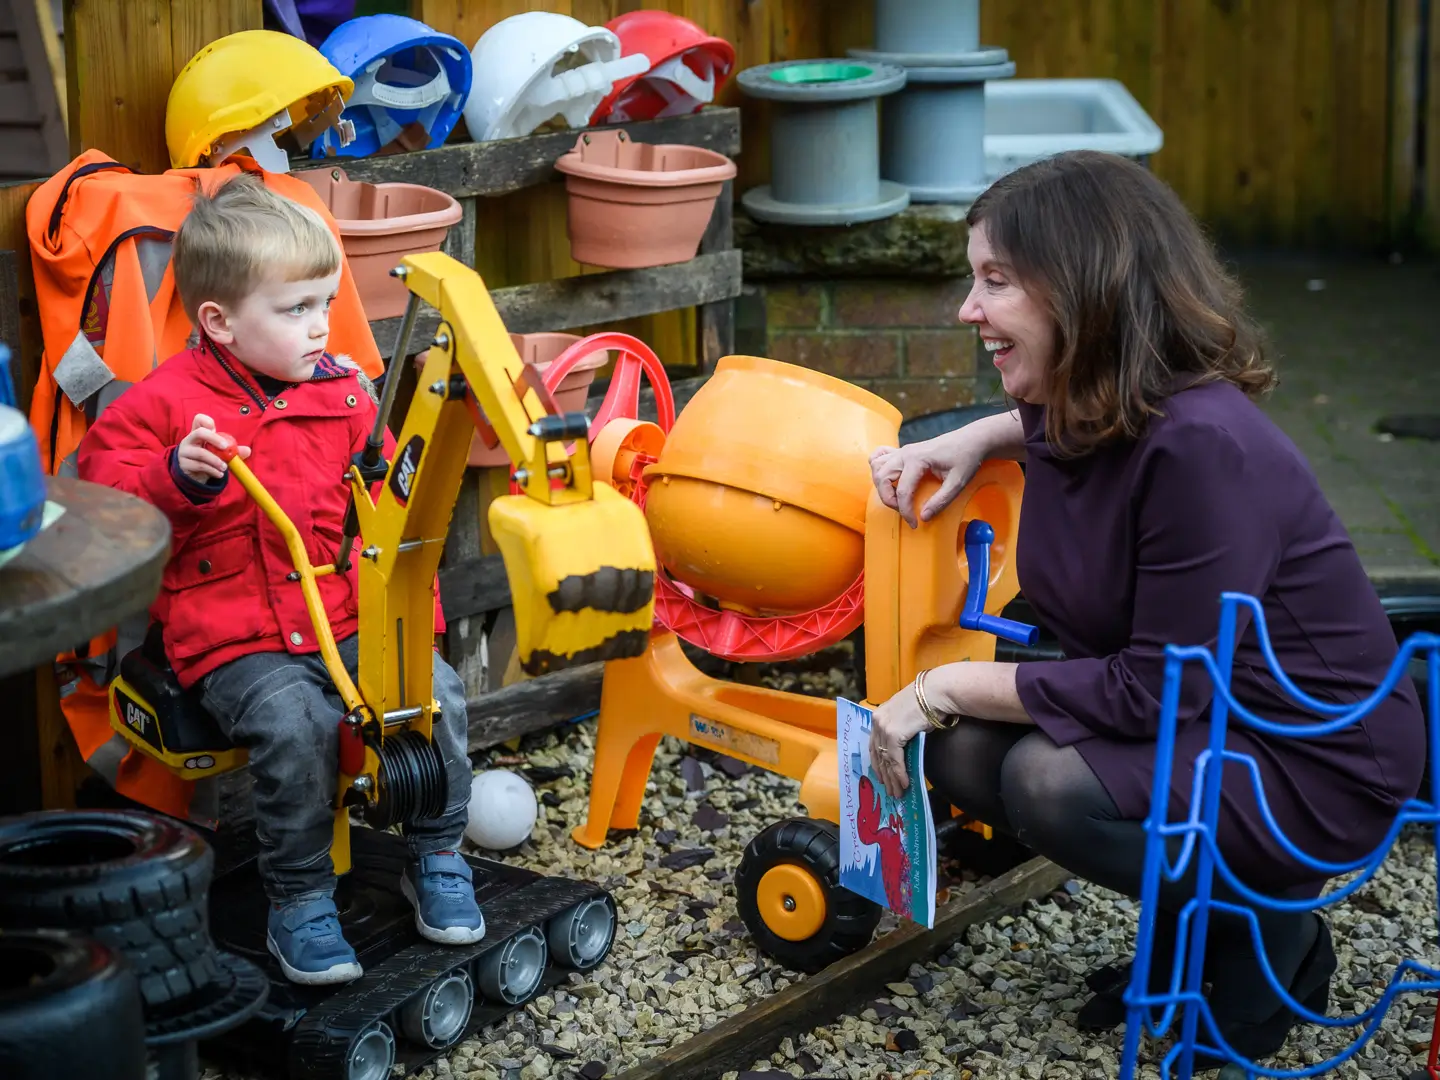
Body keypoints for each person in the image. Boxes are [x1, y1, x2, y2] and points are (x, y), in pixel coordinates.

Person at [866, 150, 1424, 1064]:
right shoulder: (1096, 407)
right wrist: (978, 434)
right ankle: (1192, 931)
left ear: (1082, 291)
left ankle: (1275, 943)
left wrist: (941, 683)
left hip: (1310, 750)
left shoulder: (1202, 448)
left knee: (1044, 782)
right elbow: (1061, 430)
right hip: (1208, 716)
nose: (969, 311)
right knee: (968, 754)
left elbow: (1152, 692)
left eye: (995, 282)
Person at [78, 174, 484, 986]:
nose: (319, 327)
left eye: (324, 304)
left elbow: (393, 518)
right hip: (236, 635)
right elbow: (96, 496)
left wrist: (420, 619)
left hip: (345, 612)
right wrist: (173, 476)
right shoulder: (166, 407)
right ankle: (298, 900)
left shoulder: (344, 394)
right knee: (295, 731)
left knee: (436, 697)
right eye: (295, 309)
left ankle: (436, 853)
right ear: (219, 322)